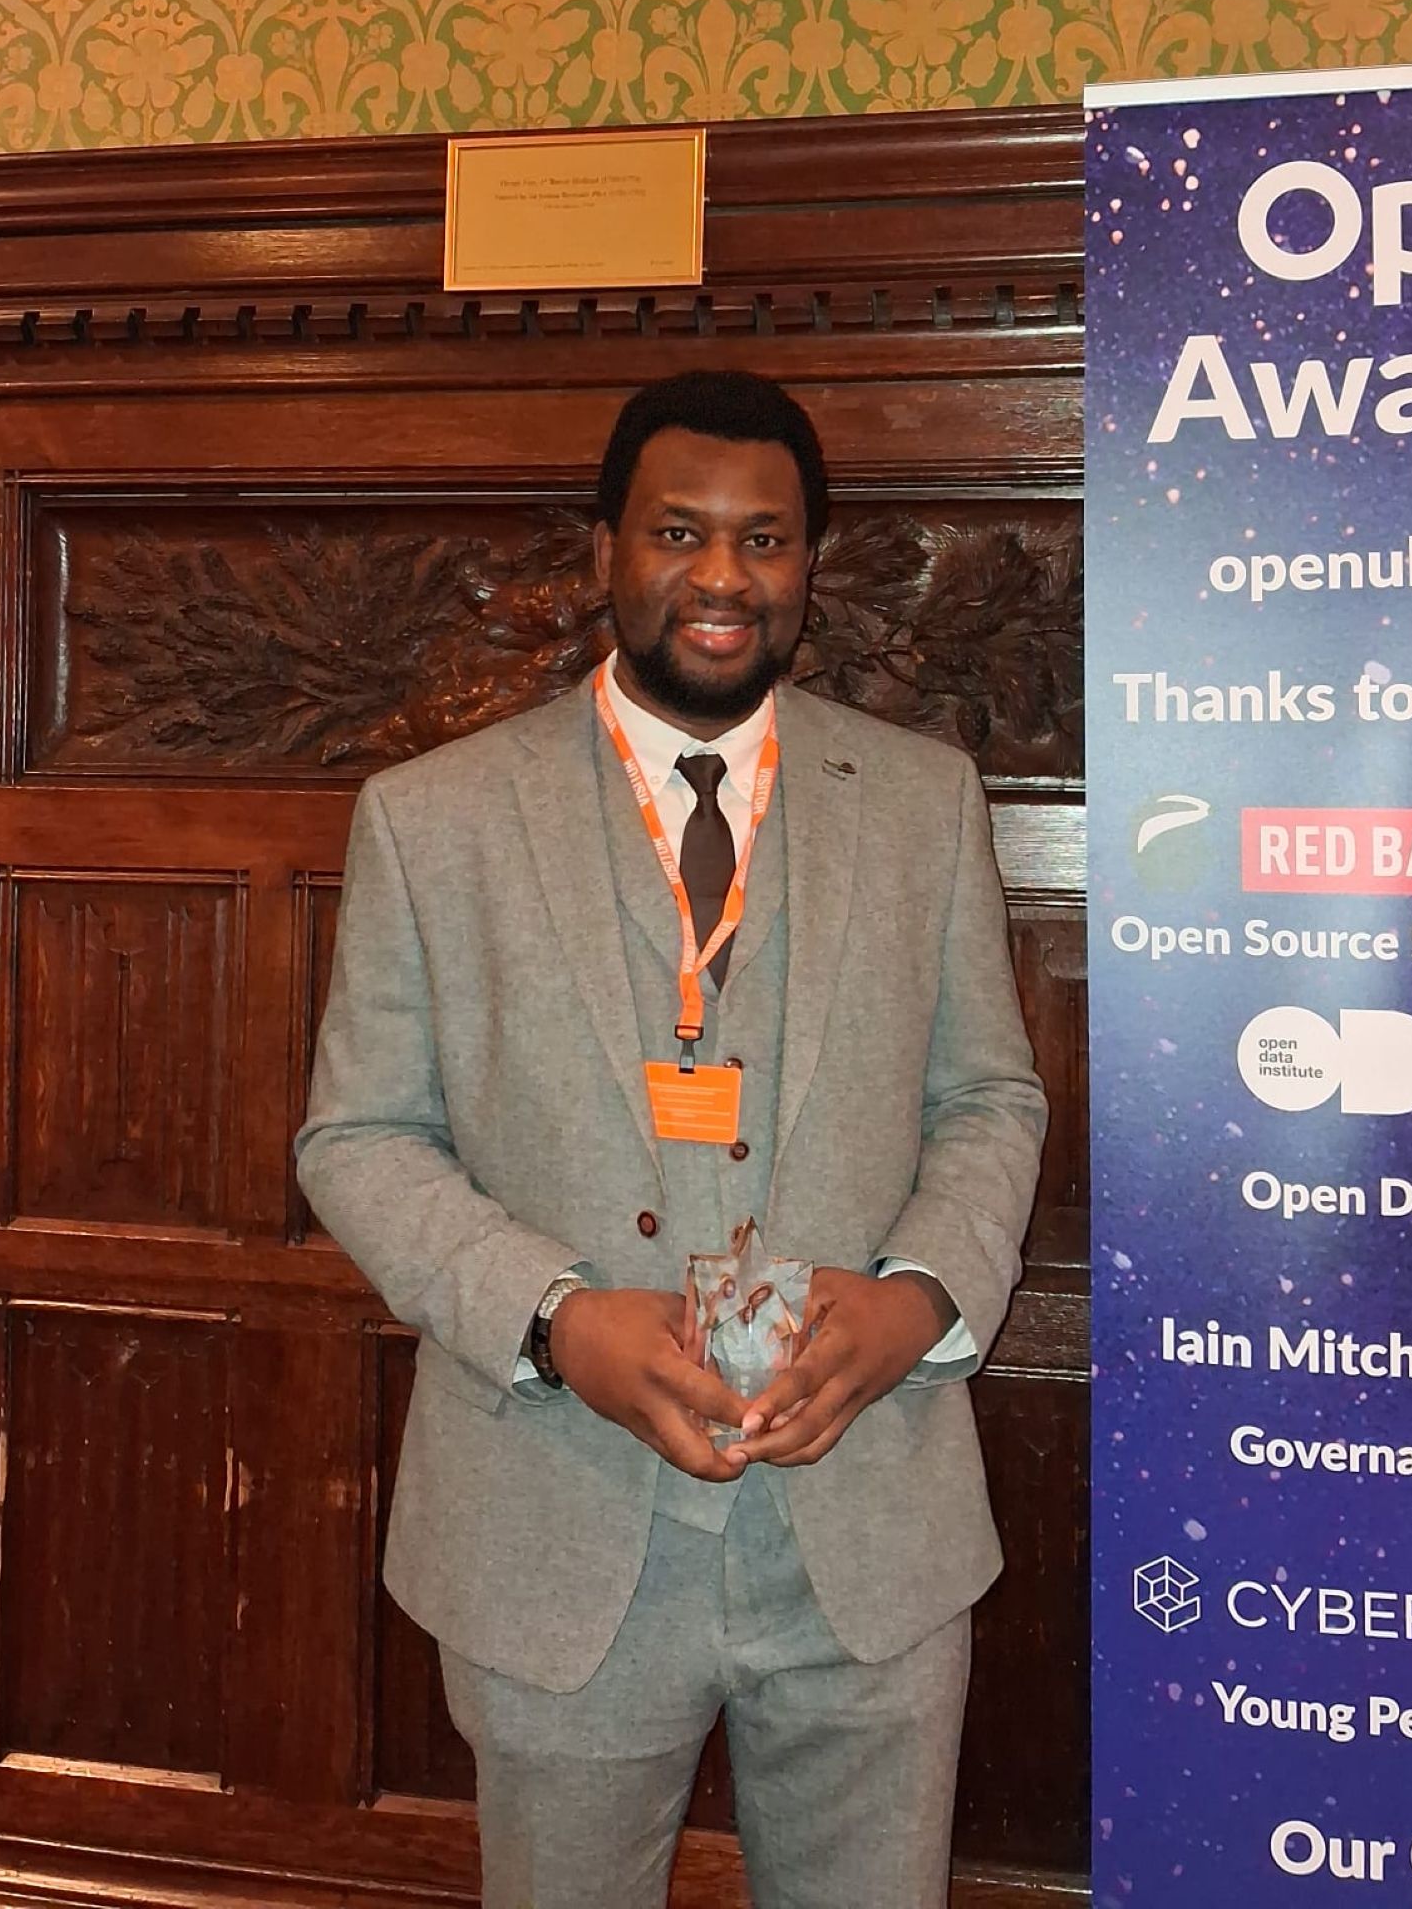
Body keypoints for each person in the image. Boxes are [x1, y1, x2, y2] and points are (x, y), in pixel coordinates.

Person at [296, 368, 1047, 1909]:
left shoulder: (923, 802)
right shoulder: (431, 819)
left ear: (810, 566)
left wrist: (915, 1303)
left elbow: (993, 1099)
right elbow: (358, 1138)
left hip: (869, 1529)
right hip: (556, 1530)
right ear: (605, 554)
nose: (721, 576)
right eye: (680, 533)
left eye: (765, 540)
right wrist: (555, 1319)